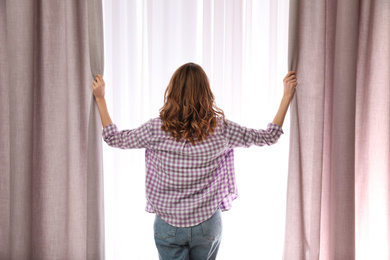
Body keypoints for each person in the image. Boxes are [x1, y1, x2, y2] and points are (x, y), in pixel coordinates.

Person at [91, 63, 297, 260]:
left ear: (172, 92)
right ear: (206, 94)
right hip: (208, 224)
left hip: (168, 225)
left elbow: (114, 138)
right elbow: (269, 136)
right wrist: (287, 95)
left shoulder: (156, 129)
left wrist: (100, 98)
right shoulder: (221, 130)